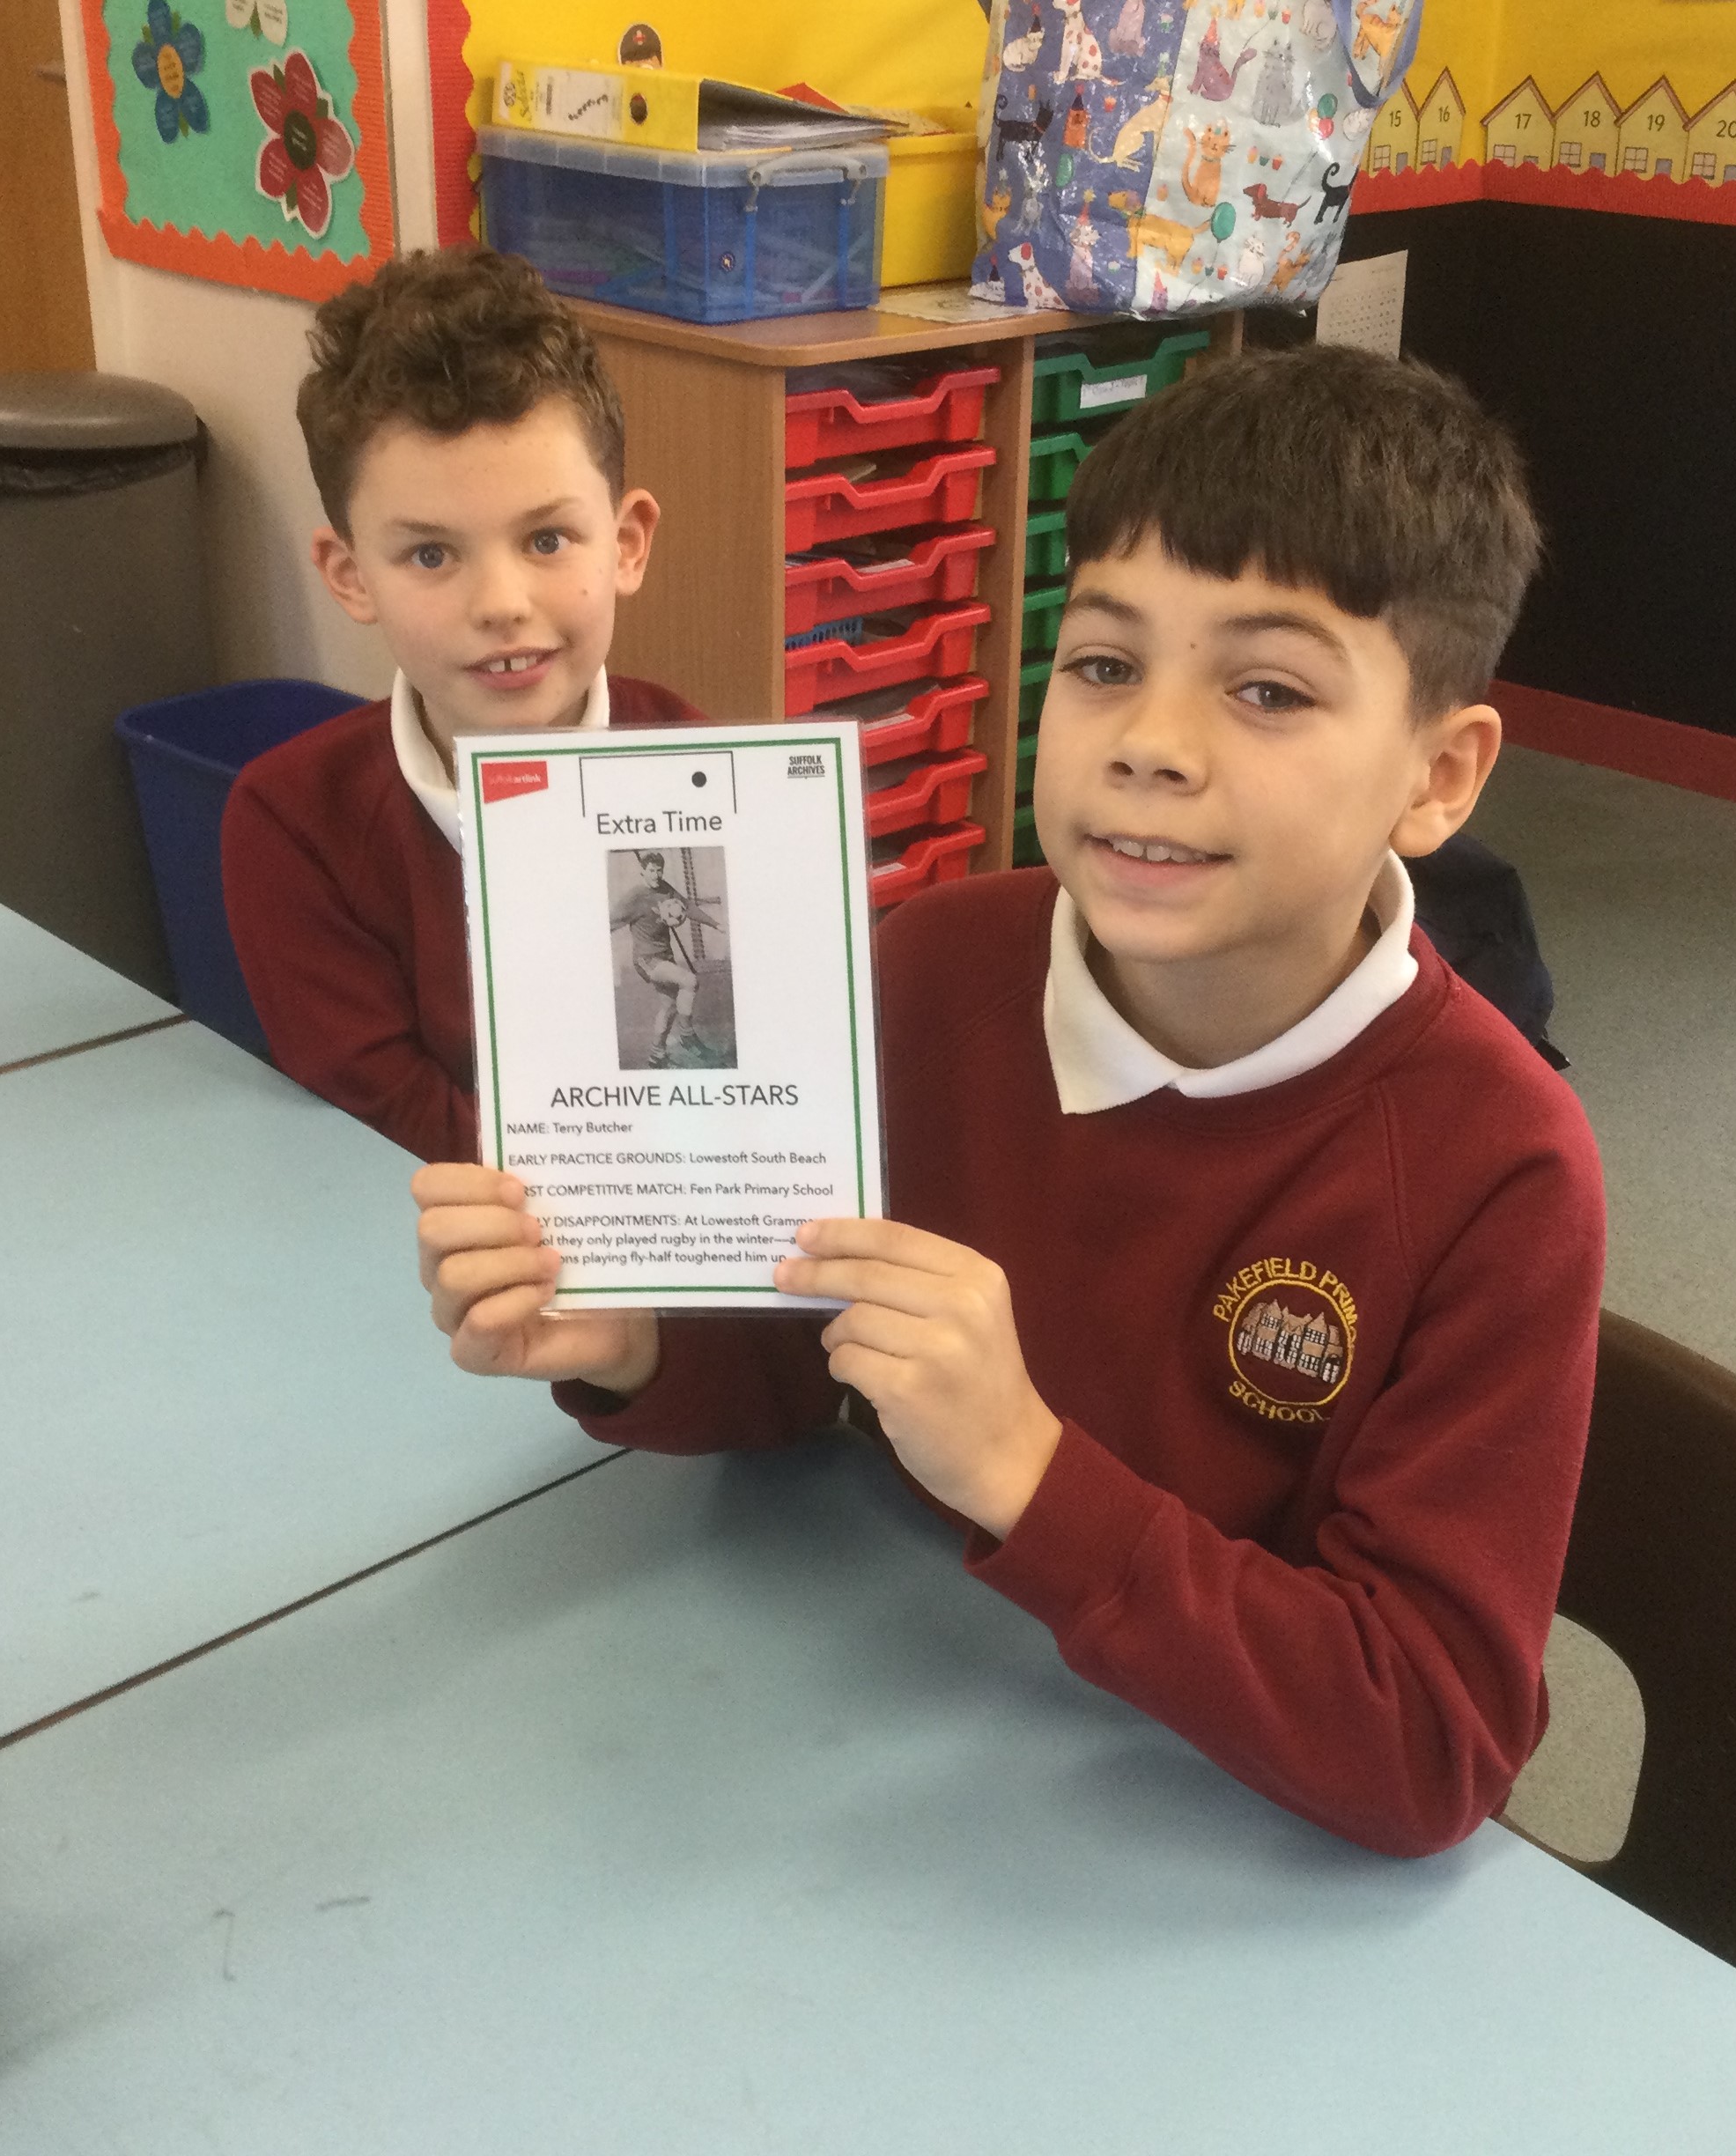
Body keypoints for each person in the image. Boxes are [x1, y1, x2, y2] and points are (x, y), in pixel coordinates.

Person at [411, 344, 1605, 1860]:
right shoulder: (931, 965)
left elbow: (1428, 1736)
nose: (1149, 744)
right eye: (1103, 662)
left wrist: (1029, 1472)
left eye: (1267, 687)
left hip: (1208, 1852)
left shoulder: (1496, 1170)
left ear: (1438, 774)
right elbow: (810, 1363)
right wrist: (638, 1337)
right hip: (880, 1745)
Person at [222, 247, 704, 1163]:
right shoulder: (292, 823)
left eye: (549, 538)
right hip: (426, 1265)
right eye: (432, 556)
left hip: (681, 1273)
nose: (500, 603)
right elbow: (390, 1128)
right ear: (351, 575)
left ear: (627, 544)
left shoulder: (708, 771)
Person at [610, 851, 724, 1067]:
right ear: (642, 872)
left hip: (665, 957)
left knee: (670, 1006)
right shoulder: (635, 897)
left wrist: (716, 925)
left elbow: (688, 907)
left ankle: (657, 1055)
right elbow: (609, 922)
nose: (656, 874)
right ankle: (687, 1036)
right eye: (651, 870)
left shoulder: (666, 890)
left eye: (659, 870)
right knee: (689, 980)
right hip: (647, 959)